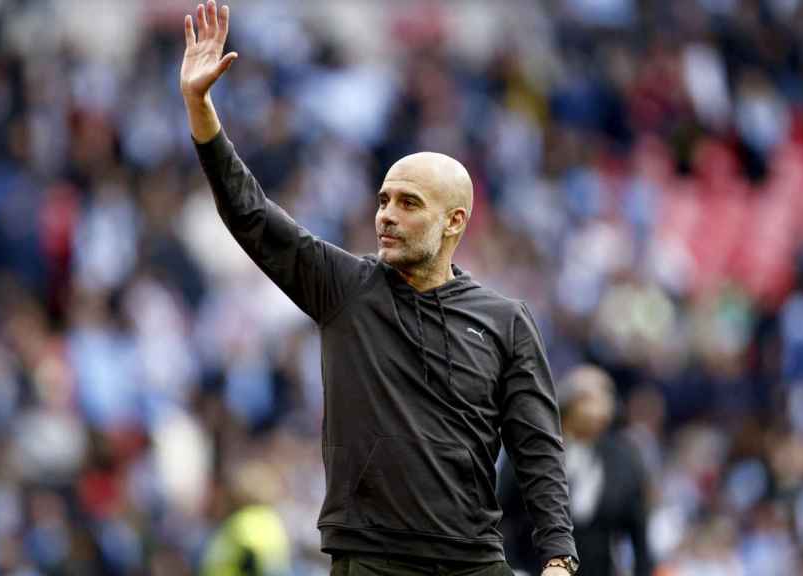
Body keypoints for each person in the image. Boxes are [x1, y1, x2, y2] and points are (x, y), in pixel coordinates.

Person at [179, 3, 579, 575]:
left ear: (455, 221)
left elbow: (537, 448)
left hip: (473, 561)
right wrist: (200, 108)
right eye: (383, 200)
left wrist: (559, 558)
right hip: (371, 561)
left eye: (408, 203)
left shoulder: (505, 320)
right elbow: (251, 214)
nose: (386, 215)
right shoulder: (344, 288)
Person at [500, 366, 652, 576]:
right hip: (536, 566)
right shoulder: (534, 448)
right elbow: (501, 513)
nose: (601, 407)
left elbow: (638, 533)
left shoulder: (623, 459)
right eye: (588, 398)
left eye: (606, 396)